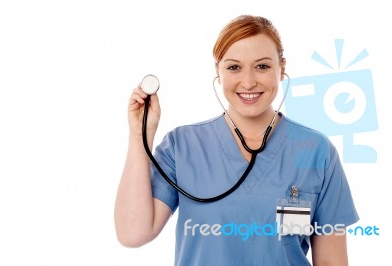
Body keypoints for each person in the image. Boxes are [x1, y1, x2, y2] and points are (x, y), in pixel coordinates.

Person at [114, 15, 359, 265]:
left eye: (262, 66)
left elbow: (331, 261)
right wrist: (139, 136)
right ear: (218, 71)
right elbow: (133, 234)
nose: (249, 81)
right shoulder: (182, 146)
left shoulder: (317, 151)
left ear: (281, 68)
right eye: (234, 67)